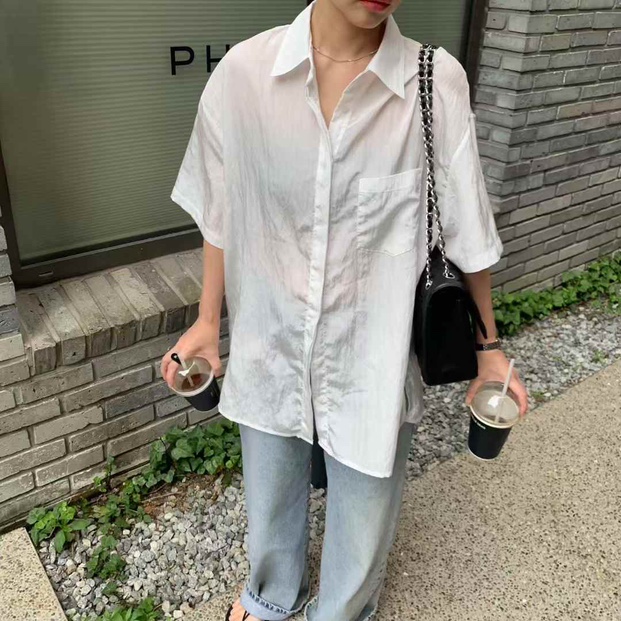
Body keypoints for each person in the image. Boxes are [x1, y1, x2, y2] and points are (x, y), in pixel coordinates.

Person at [162, 0, 530, 619]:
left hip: (374, 352)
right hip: (271, 335)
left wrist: (489, 350)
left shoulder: (433, 84)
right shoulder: (245, 75)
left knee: (364, 509)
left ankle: (341, 612)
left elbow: (466, 231)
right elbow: (222, 209)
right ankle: (270, 594)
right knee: (270, 481)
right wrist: (206, 320)